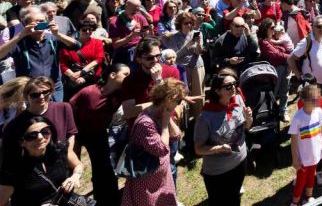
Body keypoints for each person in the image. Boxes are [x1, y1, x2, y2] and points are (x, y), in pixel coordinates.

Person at [69, 63, 131, 206]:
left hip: (97, 134)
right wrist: (71, 137)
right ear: (112, 75)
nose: (129, 77)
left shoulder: (121, 94)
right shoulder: (89, 92)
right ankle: (66, 199)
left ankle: (107, 201)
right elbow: (69, 110)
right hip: (75, 134)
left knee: (104, 169)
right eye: (125, 74)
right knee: (69, 169)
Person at [121, 78, 185, 206]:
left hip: (162, 179)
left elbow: (176, 135)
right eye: (178, 100)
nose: (178, 104)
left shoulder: (161, 114)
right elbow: (161, 149)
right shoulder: (146, 123)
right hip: (146, 183)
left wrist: (168, 118)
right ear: (168, 99)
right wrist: (165, 125)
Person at [194, 73, 253, 206]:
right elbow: (198, 149)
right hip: (218, 171)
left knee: (235, 198)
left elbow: (246, 127)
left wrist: (248, 118)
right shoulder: (206, 117)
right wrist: (219, 148)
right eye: (227, 86)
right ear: (217, 90)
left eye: (234, 83)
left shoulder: (237, 99)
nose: (233, 87)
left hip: (240, 161)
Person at [0, 5, 80, 101]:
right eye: (36, 21)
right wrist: (21, 35)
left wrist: (58, 34)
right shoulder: (20, 42)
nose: (40, 24)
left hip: (53, 87)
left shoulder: (52, 39)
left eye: (42, 21)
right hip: (29, 89)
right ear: (25, 24)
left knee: (53, 114)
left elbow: (77, 46)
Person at [0, 115, 85, 206]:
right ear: (22, 142)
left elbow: (78, 165)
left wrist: (75, 176)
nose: (40, 137)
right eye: (32, 135)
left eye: (45, 132)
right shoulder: (13, 170)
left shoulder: (60, 149)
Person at [288, 84, 322, 206]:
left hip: (315, 154)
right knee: (301, 180)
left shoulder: (319, 112)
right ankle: (295, 202)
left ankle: (308, 197)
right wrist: (295, 159)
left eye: (317, 99)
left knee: (311, 176)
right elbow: (293, 140)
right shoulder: (298, 117)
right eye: (313, 100)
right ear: (303, 100)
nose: (316, 102)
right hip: (303, 158)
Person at [288, 16, 322, 106]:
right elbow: (290, 59)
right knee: (311, 111)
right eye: (319, 26)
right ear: (313, 27)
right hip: (311, 85)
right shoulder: (307, 41)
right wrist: (300, 77)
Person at [60, 18, 105, 99]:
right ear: (79, 30)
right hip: (74, 81)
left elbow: (99, 59)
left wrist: (82, 73)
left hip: (92, 79)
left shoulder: (97, 42)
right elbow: (63, 64)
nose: (87, 32)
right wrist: (73, 76)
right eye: (84, 30)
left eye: (90, 30)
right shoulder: (69, 44)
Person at [257, 19, 292, 122]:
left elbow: (280, 52)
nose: (274, 30)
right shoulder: (263, 42)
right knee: (274, 92)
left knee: (284, 91)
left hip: (282, 68)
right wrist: (291, 57)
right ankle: (270, 112)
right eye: (272, 28)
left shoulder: (270, 40)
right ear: (265, 29)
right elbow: (275, 55)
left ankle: (283, 111)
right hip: (274, 71)